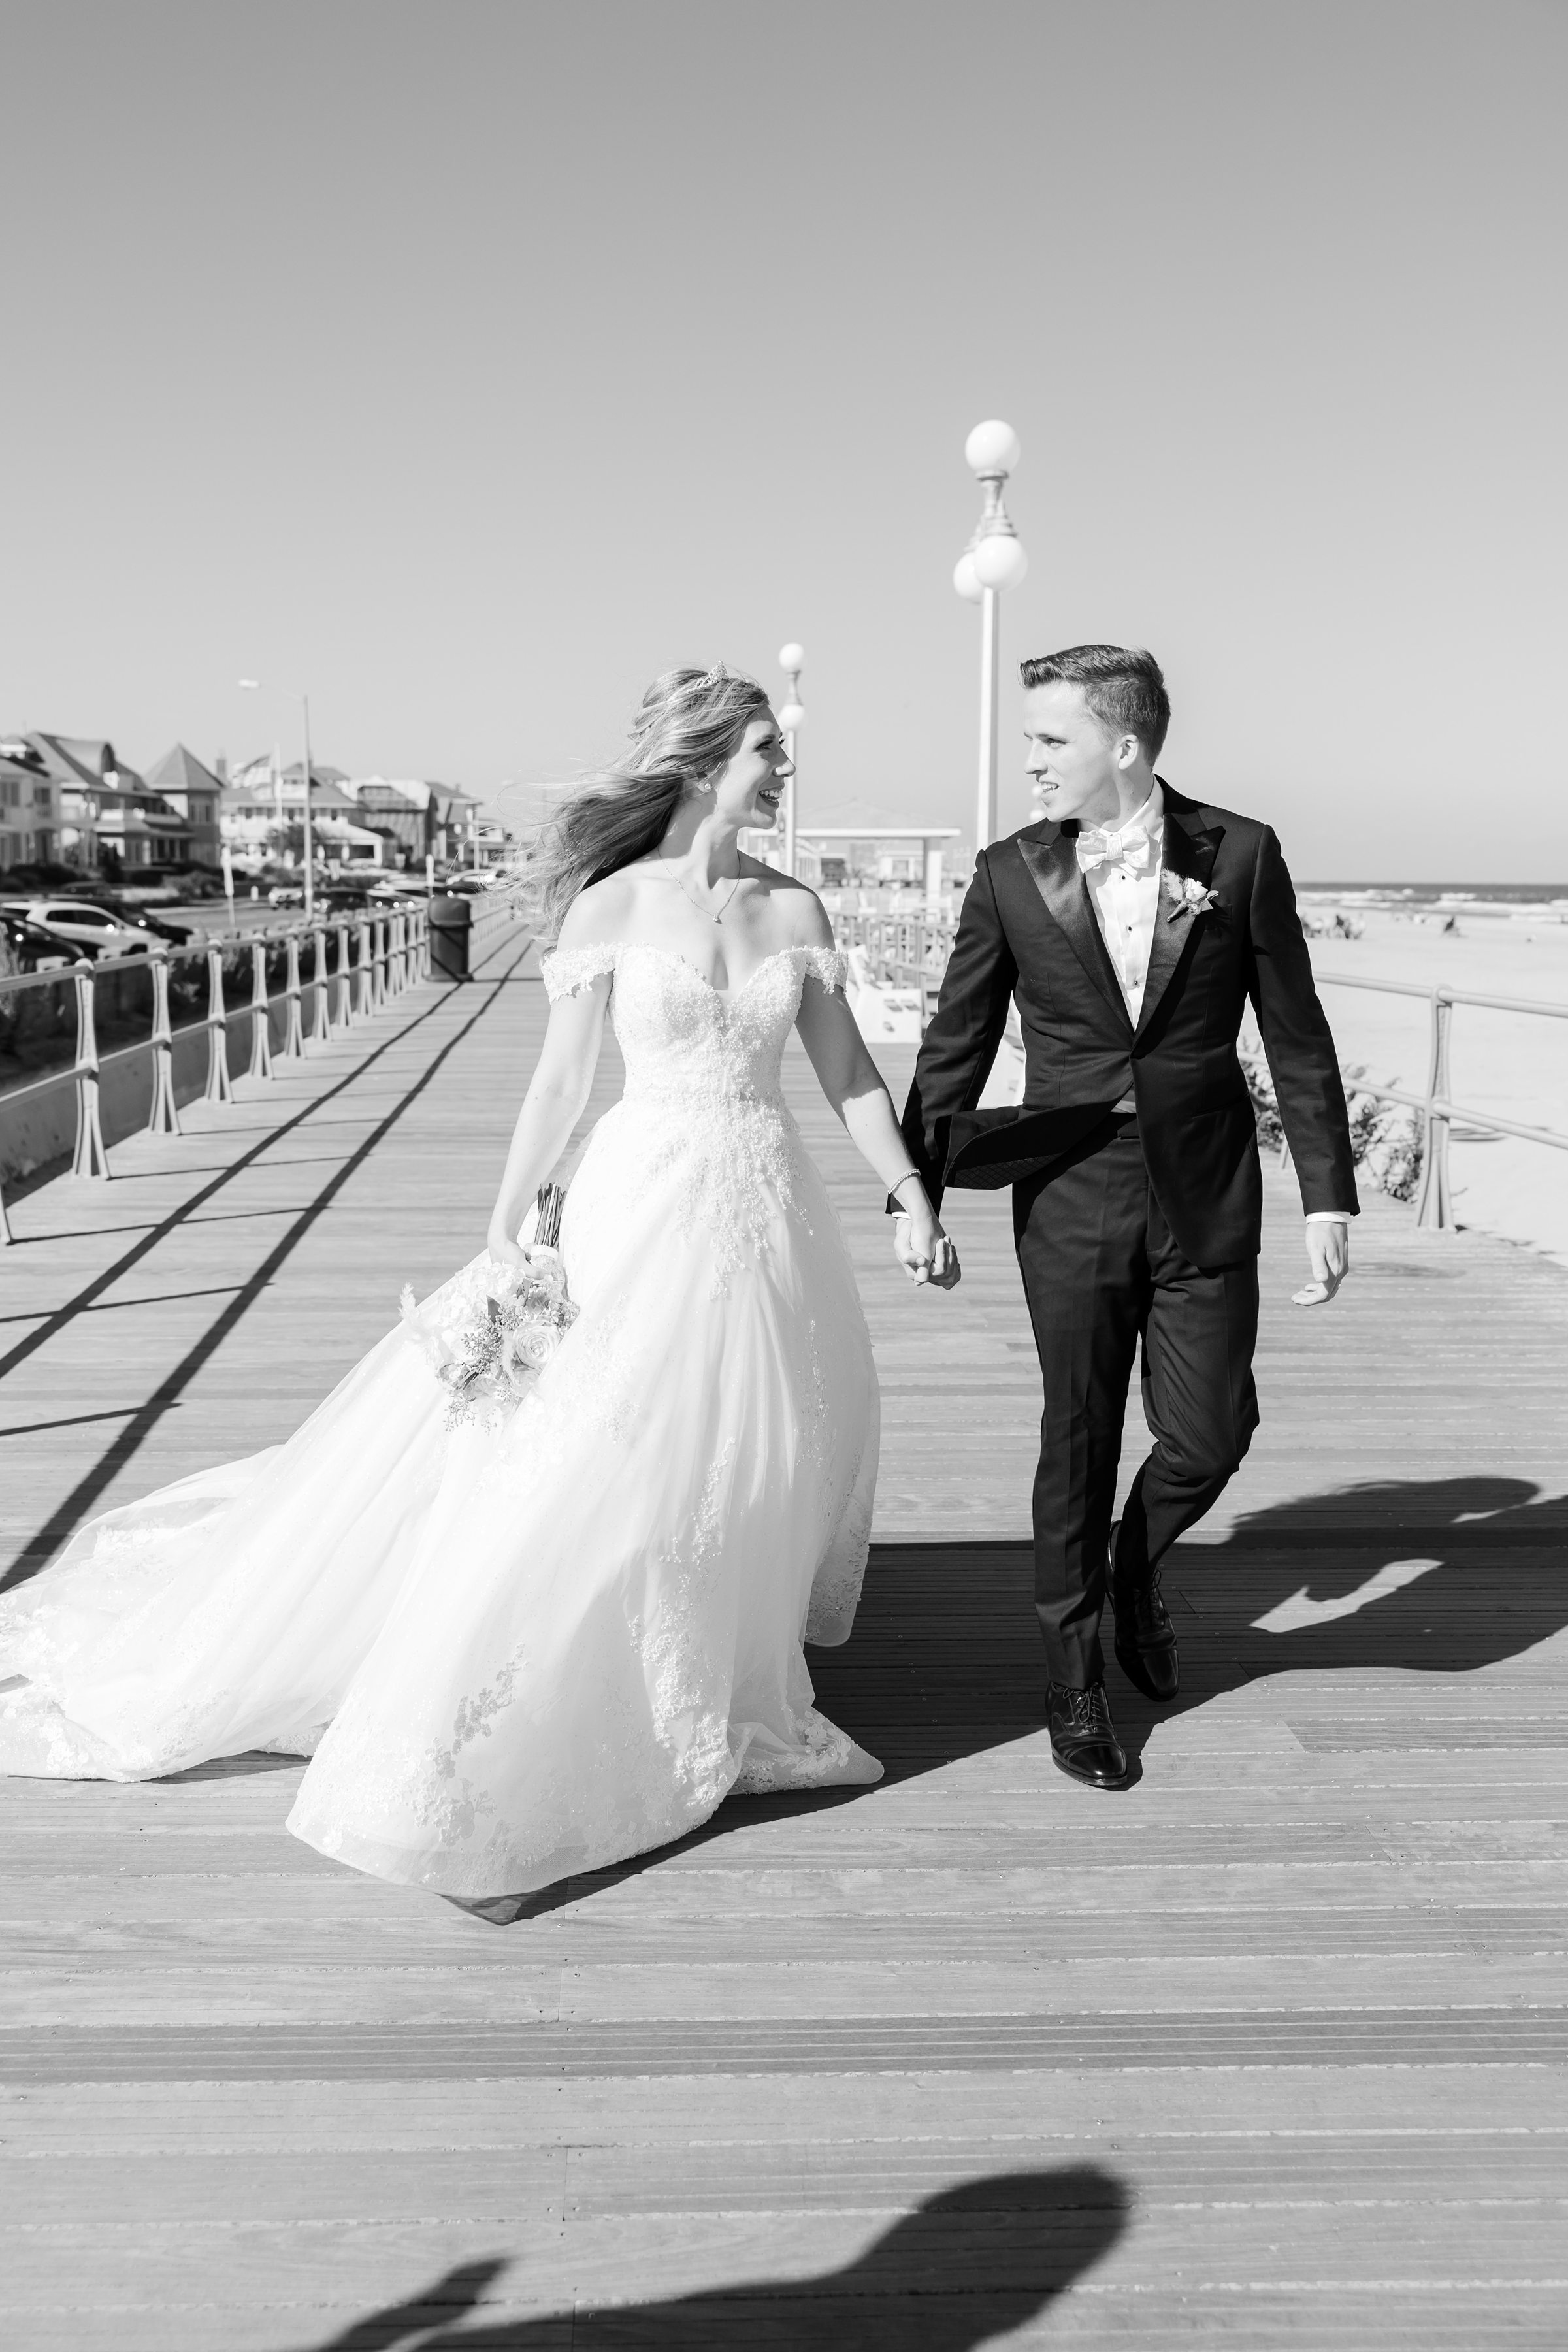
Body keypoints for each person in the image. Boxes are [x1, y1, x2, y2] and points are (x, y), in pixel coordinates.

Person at [0, 666, 958, 1912]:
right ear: (703, 759)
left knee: (756, 1446)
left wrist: (908, 1192)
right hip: (641, 1199)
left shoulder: (799, 911)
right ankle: (545, 1695)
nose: (786, 770)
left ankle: (713, 1672)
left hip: (767, 1207)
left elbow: (848, 1079)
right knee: (607, 1447)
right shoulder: (612, 908)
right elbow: (562, 1085)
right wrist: (509, 1217)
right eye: (771, 749)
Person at [896, 645, 1356, 1789]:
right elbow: (954, 1040)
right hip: (1071, 1190)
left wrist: (1328, 1195)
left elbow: (1295, 1033)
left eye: (1051, 740)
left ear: (1125, 746)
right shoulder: (1007, 873)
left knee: (1211, 1434)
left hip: (1208, 1184)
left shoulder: (1240, 855)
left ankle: (1135, 1565)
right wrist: (918, 1191)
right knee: (1080, 1431)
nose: (1031, 763)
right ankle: (1074, 1679)